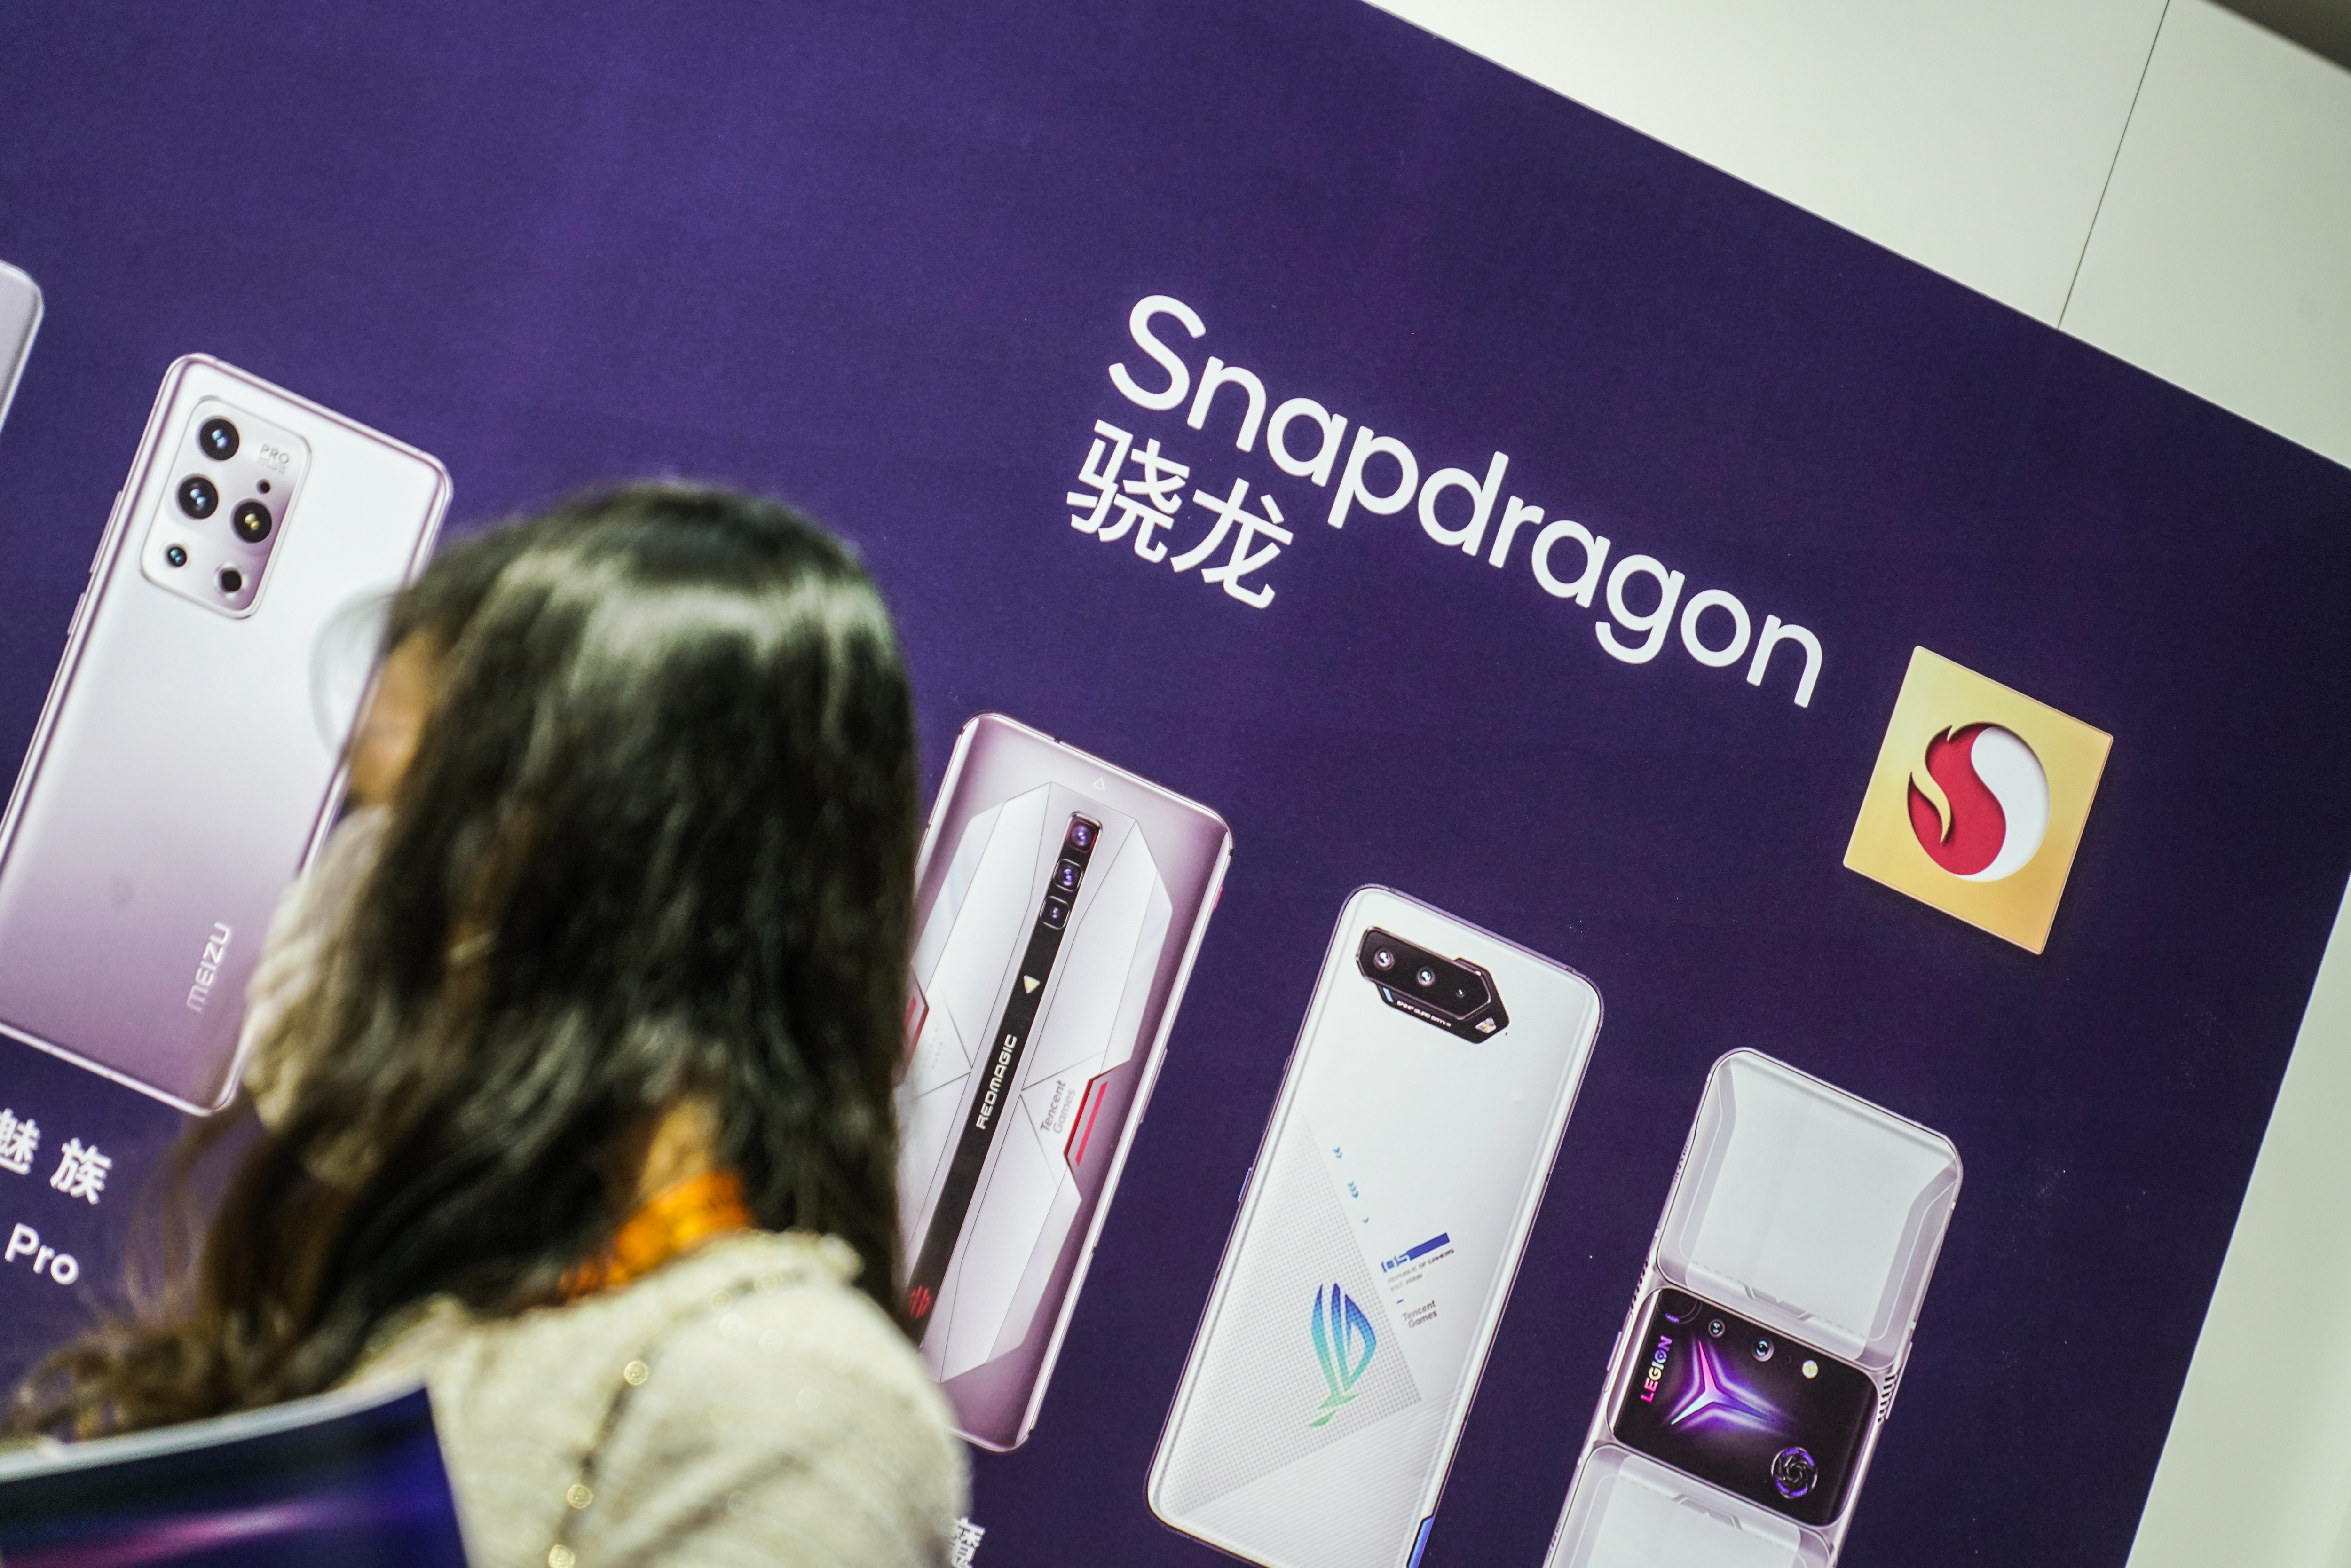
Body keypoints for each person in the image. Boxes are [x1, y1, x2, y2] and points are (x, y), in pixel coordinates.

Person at [9, 484, 969, 1567]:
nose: (345, 885)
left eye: (401, 826)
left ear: (601, 885)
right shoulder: (425, 1319)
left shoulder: (797, 1408)